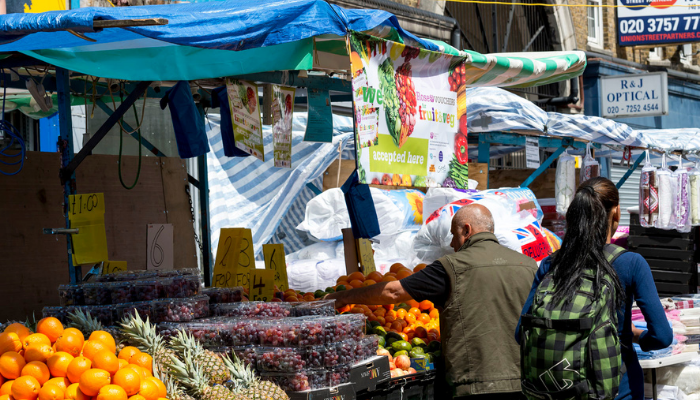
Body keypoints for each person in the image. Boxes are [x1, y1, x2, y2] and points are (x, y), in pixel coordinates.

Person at [326, 204, 539, 399]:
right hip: (523, 381)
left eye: (453, 235)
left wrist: (342, 297)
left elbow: (393, 293)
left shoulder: (451, 266)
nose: (452, 244)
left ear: (466, 230)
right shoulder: (529, 265)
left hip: (473, 384)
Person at [515, 177, 673, 400]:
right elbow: (662, 337)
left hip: (551, 390)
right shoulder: (631, 263)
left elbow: (520, 332)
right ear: (615, 212)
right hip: (618, 388)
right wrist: (635, 336)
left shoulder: (551, 264)